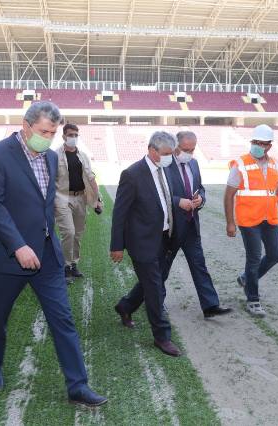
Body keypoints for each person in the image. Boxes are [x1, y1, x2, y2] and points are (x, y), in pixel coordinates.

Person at [0, 101, 107, 406]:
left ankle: (78, 385)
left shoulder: (50, 157)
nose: (48, 137)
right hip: (11, 257)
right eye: (43, 131)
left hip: (47, 255)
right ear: (26, 125)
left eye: (52, 132)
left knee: (63, 319)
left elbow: (45, 204)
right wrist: (18, 245)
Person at [110, 131, 181, 357]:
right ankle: (162, 337)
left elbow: (165, 199)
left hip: (163, 238)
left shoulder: (165, 169)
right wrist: (116, 246)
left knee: (152, 282)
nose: (170, 158)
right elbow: (119, 214)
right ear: (152, 151)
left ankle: (126, 306)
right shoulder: (132, 174)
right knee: (155, 289)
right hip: (142, 241)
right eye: (167, 154)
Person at [163, 131, 232, 318]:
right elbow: (160, 194)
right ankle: (144, 302)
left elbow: (200, 187)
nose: (189, 153)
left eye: (193, 149)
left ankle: (210, 305)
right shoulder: (165, 165)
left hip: (191, 224)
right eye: (186, 149)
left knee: (199, 265)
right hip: (171, 228)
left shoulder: (193, 163)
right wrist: (179, 201)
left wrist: (200, 198)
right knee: (162, 269)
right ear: (175, 147)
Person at [223, 124, 278, 317]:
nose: (258, 146)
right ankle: (253, 299)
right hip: (248, 219)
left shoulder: (276, 164)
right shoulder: (240, 164)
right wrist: (230, 222)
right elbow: (229, 195)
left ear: (269, 145)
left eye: (262, 144)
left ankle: (246, 279)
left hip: (270, 218)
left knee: (275, 255)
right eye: (255, 142)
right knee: (253, 258)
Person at [54, 123, 103, 283]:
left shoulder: (83, 156)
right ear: (63, 136)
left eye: (76, 135)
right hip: (62, 197)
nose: (73, 138)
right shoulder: (55, 156)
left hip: (81, 198)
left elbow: (91, 178)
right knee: (69, 232)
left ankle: (73, 264)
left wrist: (98, 200)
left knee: (78, 234)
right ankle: (65, 267)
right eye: (70, 135)